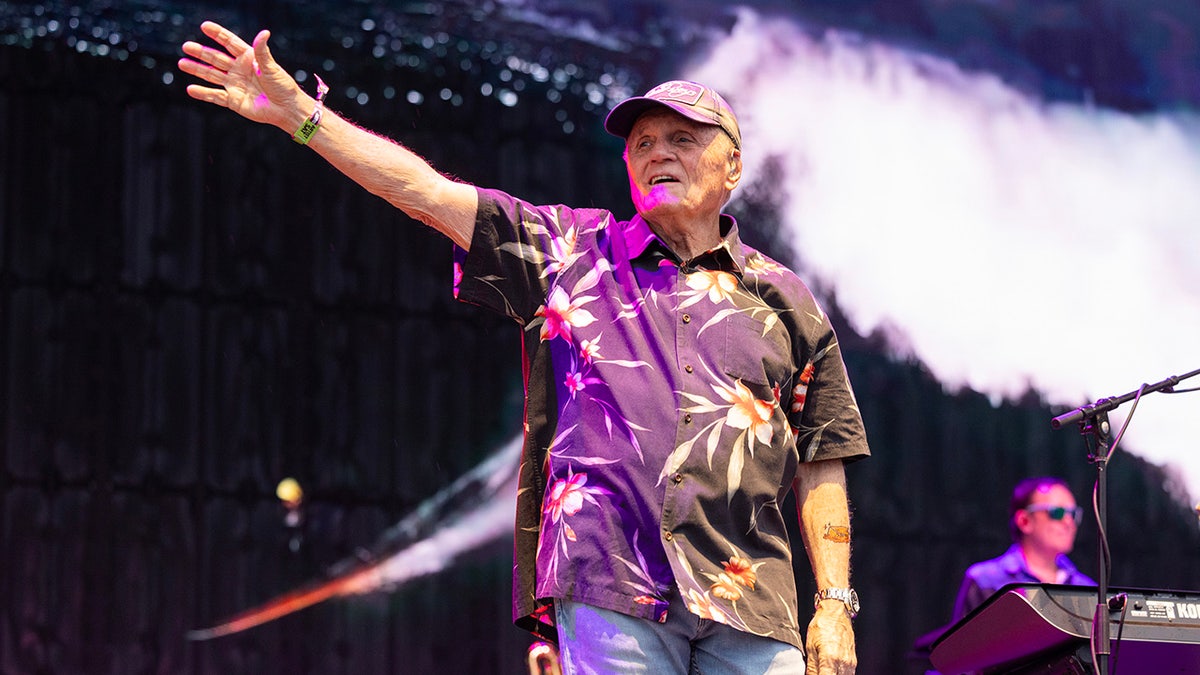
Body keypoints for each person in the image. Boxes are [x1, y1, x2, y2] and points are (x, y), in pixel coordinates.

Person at [179, 21, 871, 675]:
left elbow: (823, 457)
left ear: (733, 164)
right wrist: (304, 114)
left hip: (751, 600)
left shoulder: (786, 299)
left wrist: (835, 605)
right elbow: (425, 193)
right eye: (643, 142)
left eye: (683, 138)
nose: (658, 150)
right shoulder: (572, 251)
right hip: (611, 584)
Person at [951, 476, 1096, 622]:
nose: (1068, 522)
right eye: (1057, 512)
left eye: (1073, 514)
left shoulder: (1086, 588)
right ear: (1024, 521)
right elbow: (964, 643)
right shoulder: (985, 580)